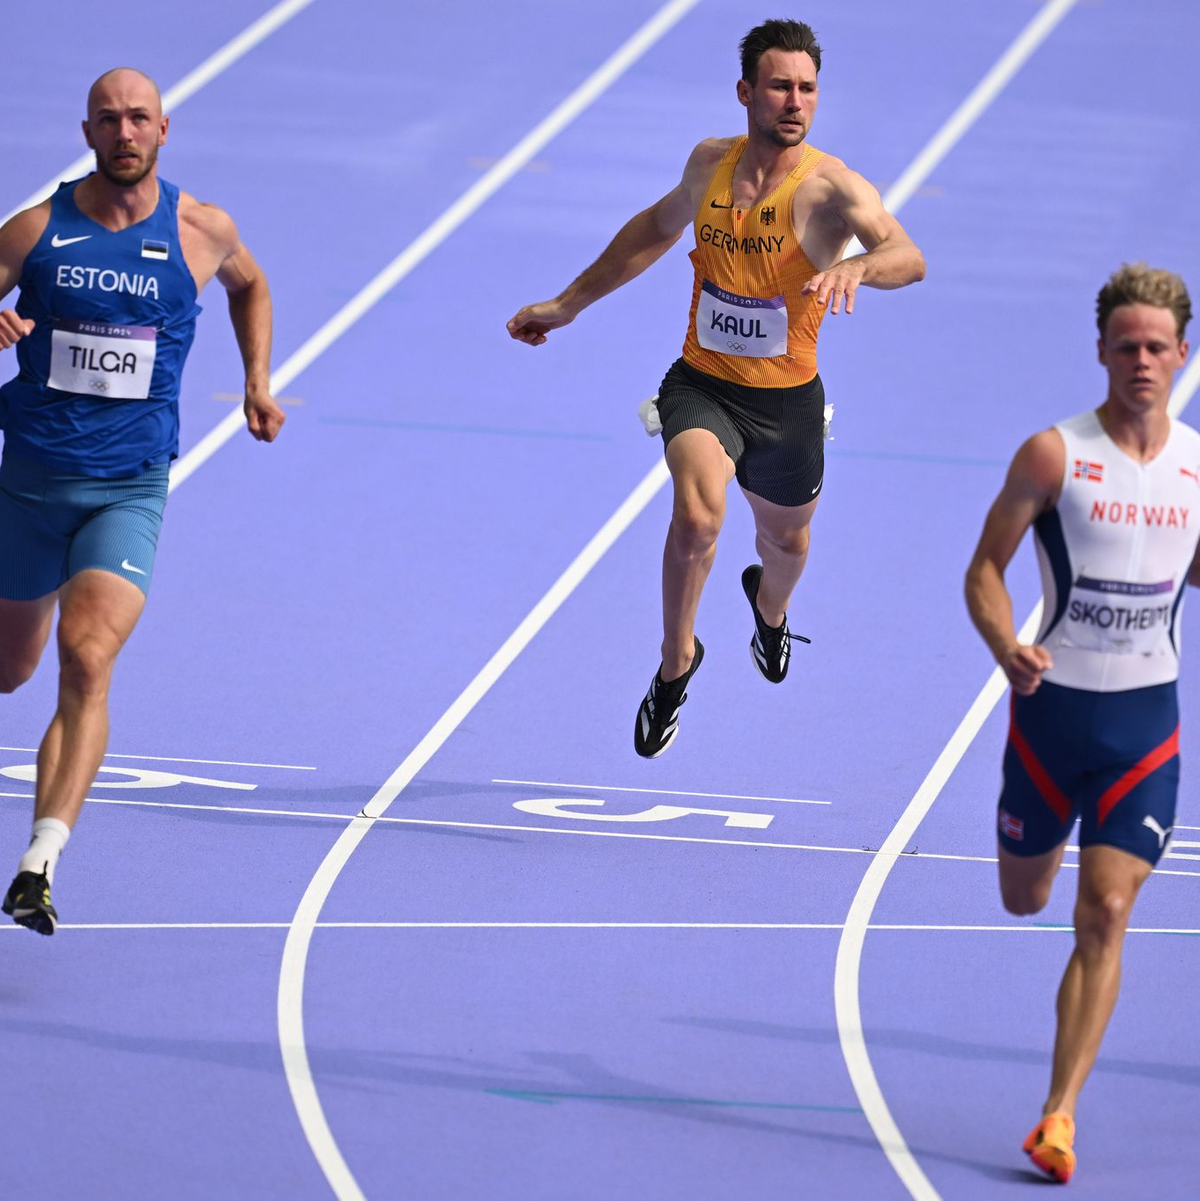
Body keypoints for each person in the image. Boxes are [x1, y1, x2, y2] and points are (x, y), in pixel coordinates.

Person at [508, 18, 924, 758]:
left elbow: (907, 253)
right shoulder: (709, 163)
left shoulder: (832, 188)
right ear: (745, 92)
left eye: (807, 88)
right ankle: (676, 663)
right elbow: (654, 229)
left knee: (785, 543)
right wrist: (567, 304)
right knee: (699, 519)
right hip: (701, 384)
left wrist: (859, 267)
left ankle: (769, 609)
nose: (795, 101)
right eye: (779, 85)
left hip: (787, 405)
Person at [0, 68, 285, 935]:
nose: (125, 132)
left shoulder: (202, 230)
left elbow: (251, 286)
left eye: (139, 119)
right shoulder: (35, 232)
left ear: (165, 130)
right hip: (28, 485)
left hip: (128, 488)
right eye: (109, 120)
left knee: (87, 659)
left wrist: (256, 380)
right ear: (87, 132)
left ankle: (38, 863)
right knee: (12, 670)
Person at [965, 264, 1198, 1183]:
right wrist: (1003, 645)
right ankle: (1048, 834)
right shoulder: (1053, 455)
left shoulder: (1196, 469)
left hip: (1145, 725)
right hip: (1049, 720)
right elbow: (984, 568)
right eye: (1126, 345)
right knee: (1025, 899)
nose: (1142, 360)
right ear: (1101, 351)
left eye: (1158, 346)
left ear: (1184, 354)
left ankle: (1057, 1114)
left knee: (1105, 910)